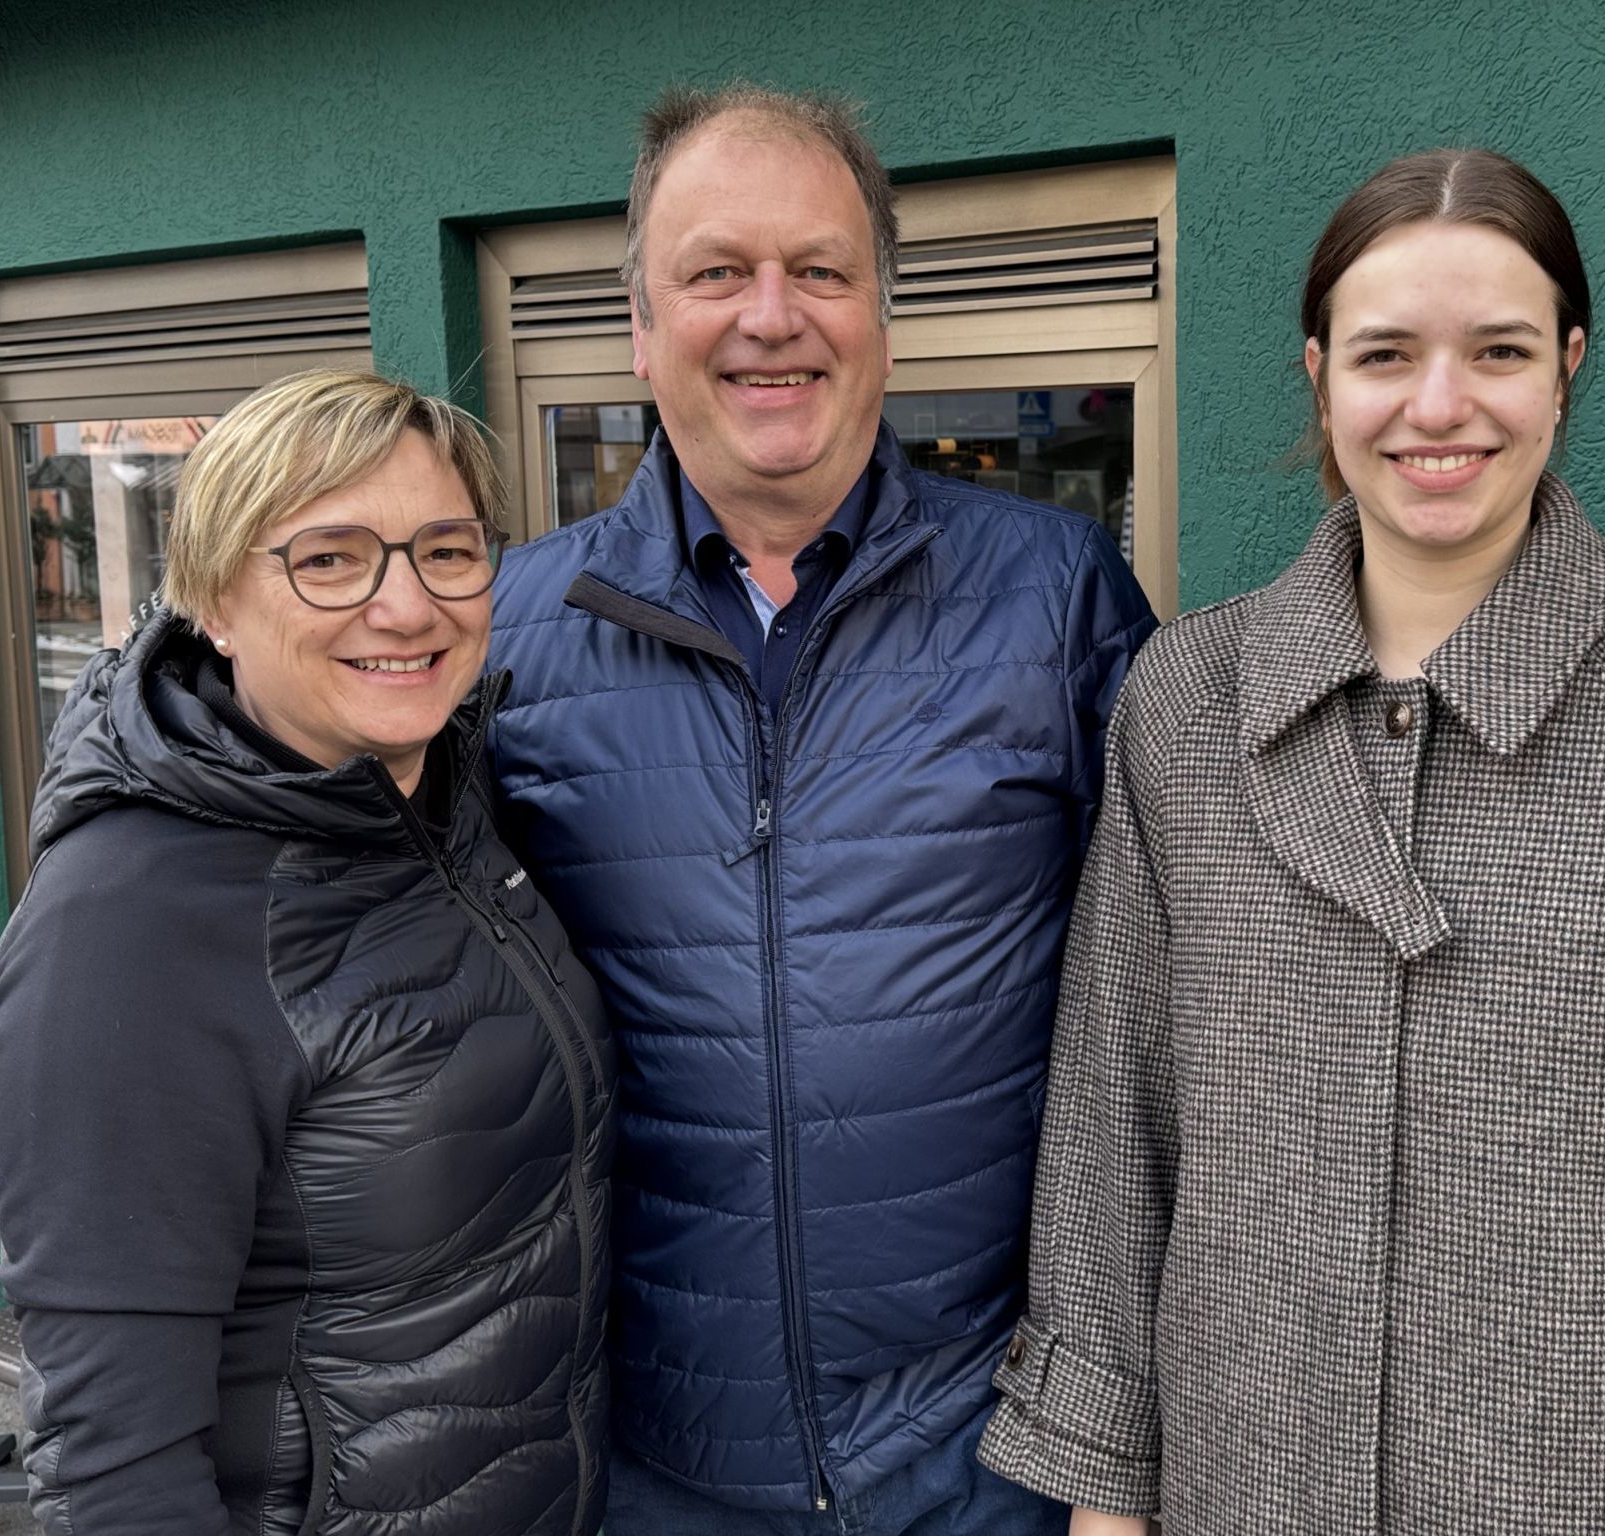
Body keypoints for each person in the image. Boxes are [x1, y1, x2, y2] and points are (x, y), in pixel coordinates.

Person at [978, 149, 1605, 1536]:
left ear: (1567, 364)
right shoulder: (1185, 706)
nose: (1440, 405)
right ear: (1320, 374)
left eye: (1497, 349)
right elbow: (1113, 1134)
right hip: (1243, 1484)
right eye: (1386, 354)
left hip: (1586, 1488)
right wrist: (1105, 1489)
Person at [487, 83, 1155, 1534]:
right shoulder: (510, 639)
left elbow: (1165, 1019)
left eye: (821, 271)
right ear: (642, 326)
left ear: (883, 315)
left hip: (989, 1459)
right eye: (717, 272)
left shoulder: (1058, 599)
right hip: (652, 1466)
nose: (771, 316)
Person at [0, 370, 614, 1536]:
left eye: (446, 550)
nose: (406, 605)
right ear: (215, 598)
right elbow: (112, 1463)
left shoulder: (443, 813)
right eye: (329, 558)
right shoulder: (127, 924)